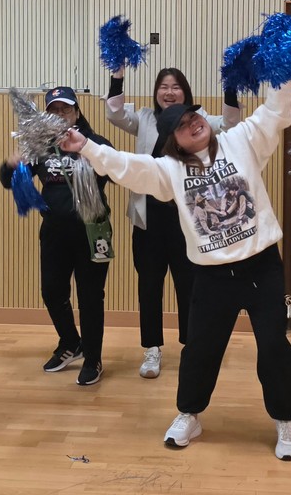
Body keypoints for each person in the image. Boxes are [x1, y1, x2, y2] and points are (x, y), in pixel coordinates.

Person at [62, 81, 291, 461]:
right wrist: (87, 147)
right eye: (182, 125)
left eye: (194, 116)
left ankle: (286, 419)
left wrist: (281, 74)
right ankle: (190, 414)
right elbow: (127, 166)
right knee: (200, 350)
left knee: (274, 347)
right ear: (173, 140)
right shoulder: (168, 170)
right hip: (212, 275)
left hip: (261, 266)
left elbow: (275, 111)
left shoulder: (241, 140)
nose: (193, 124)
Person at [105, 66, 240, 379]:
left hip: (188, 220)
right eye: (164, 87)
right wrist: (117, 78)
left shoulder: (198, 120)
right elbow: (114, 114)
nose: (169, 92)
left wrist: (231, 85)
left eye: (176, 87)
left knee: (190, 285)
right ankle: (151, 348)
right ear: (156, 92)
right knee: (149, 285)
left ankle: (191, 345)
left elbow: (230, 123)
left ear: (185, 92)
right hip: (148, 220)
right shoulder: (144, 118)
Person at [0, 86, 114, 387]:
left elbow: (115, 172)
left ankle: (93, 357)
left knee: (90, 297)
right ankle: (71, 342)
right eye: (54, 110)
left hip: (92, 231)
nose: (61, 115)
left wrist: (93, 155)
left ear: (77, 112)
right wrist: (11, 163)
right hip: (54, 232)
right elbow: (8, 181)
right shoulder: (40, 148)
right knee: (52, 291)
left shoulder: (95, 143)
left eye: (66, 109)